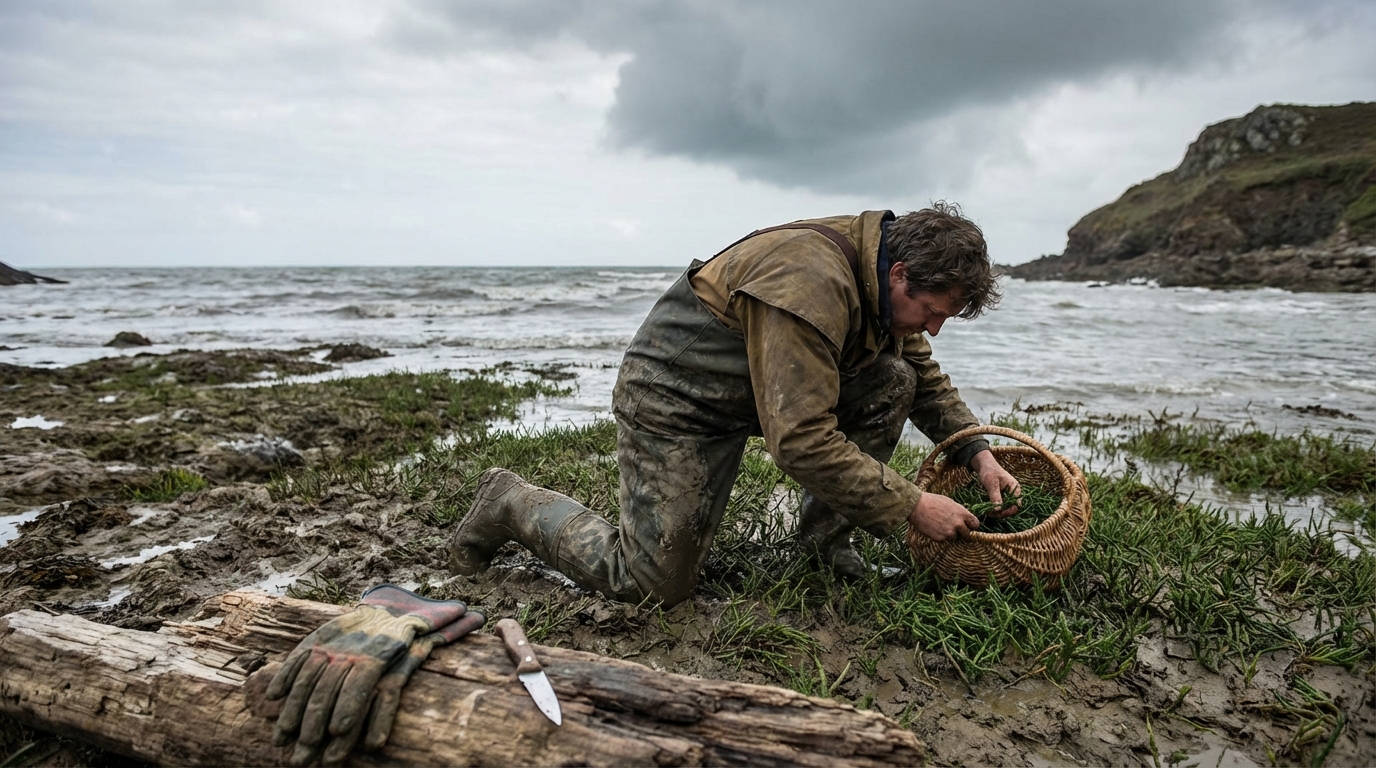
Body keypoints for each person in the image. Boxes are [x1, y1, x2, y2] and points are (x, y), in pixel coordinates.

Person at [448, 203, 1020, 607]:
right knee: (649, 586)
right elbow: (800, 440)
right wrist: (911, 505)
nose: (934, 328)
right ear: (900, 274)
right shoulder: (811, 282)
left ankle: (824, 550)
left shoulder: (883, 283)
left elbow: (921, 374)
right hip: (678, 402)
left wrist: (976, 451)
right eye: (934, 312)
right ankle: (509, 503)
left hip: (754, 390)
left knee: (893, 378)